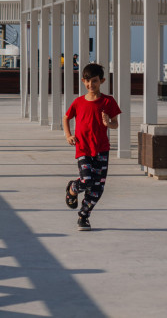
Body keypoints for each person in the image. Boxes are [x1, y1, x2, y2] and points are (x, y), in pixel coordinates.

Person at [62, 63, 121, 231]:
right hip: (83, 148)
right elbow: (66, 118)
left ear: (101, 81)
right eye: (87, 81)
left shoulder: (108, 101)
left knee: (97, 188)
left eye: (94, 81)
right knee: (87, 180)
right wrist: (68, 135)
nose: (90, 85)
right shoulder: (78, 102)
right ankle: (73, 188)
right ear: (82, 81)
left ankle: (84, 217)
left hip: (101, 149)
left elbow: (116, 124)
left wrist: (108, 123)